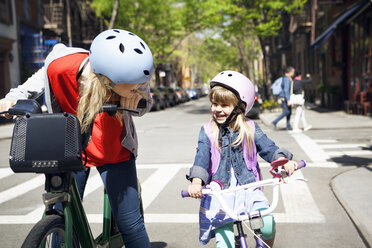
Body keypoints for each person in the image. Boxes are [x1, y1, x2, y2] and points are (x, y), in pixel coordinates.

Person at [0, 29, 153, 248]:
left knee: (130, 223)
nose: (139, 88)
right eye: (134, 86)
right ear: (107, 79)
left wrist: (138, 101)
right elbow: (31, 86)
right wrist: (11, 99)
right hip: (71, 145)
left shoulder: (131, 73)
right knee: (63, 215)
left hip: (113, 149)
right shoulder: (61, 66)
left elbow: (146, 102)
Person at [186, 71, 298, 247]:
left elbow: (268, 148)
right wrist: (196, 182)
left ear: (239, 107)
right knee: (225, 243)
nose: (217, 109)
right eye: (214, 104)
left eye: (224, 105)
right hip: (220, 193)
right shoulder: (207, 130)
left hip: (249, 190)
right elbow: (201, 157)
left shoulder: (250, 128)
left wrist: (284, 162)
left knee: (267, 225)